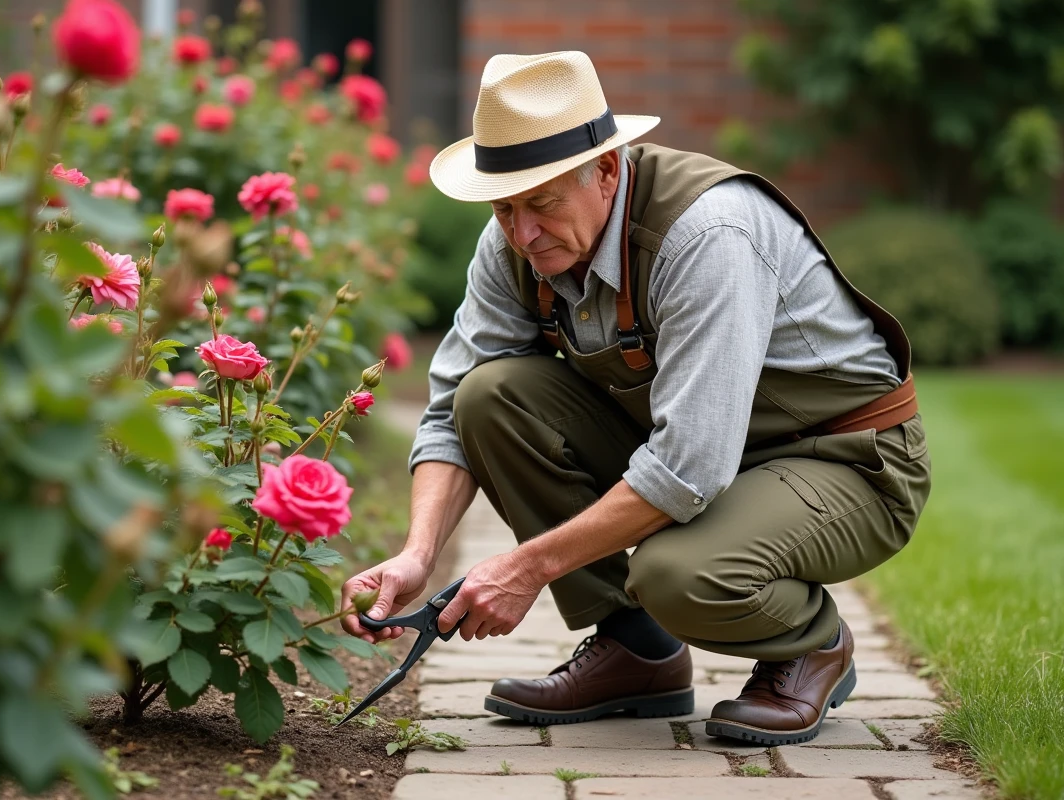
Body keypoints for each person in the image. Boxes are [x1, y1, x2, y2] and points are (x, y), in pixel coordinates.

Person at [340, 51, 931, 745]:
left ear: (608, 171)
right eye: (504, 207)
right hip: (707, 447)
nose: (522, 233)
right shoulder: (513, 246)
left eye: (543, 203)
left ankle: (810, 644)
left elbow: (688, 468)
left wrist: (523, 568)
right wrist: (419, 553)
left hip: (844, 459)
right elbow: (447, 413)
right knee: (489, 397)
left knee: (678, 574)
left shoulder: (707, 232)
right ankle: (636, 649)